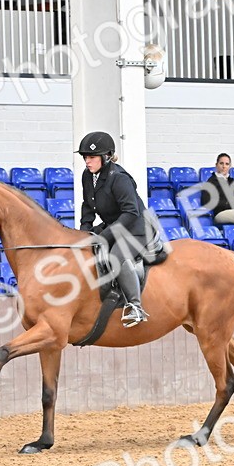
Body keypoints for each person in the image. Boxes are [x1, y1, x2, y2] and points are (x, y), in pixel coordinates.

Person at [78, 130, 154, 327]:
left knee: (116, 256)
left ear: (106, 157)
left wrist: (104, 236)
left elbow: (130, 212)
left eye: (92, 157)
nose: (87, 161)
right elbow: (87, 206)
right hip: (114, 224)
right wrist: (85, 231)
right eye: (85, 157)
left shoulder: (119, 178)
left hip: (136, 228)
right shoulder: (88, 176)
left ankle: (135, 306)